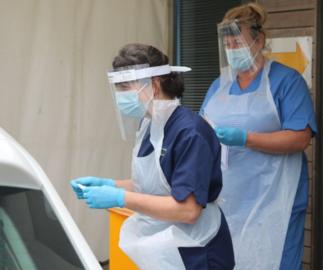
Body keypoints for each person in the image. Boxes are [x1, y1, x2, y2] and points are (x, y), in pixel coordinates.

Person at [70, 44, 234, 270]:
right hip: (164, 249)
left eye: (125, 87)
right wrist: (109, 184)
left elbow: (188, 210)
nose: (120, 96)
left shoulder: (190, 133)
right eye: (117, 88)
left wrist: (120, 198)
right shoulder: (150, 125)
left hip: (198, 251)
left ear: (154, 85)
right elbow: (155, 184)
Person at [200, 3, 317, 270]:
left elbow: (300, 138)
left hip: (275, 198)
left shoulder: (286, 81)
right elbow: (204, 130)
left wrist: (246, 138)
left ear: (259, 39)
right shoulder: (219, 85)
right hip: (229, 198)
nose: (232, 50)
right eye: (227, 45)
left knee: (274, 260)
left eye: (238, 42)